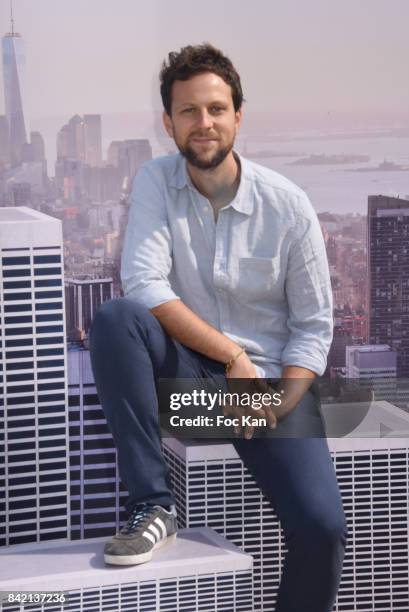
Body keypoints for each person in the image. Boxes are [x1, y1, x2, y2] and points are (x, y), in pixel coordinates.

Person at [89, 43, 348, 611]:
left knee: (322, 529)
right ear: (168, 123)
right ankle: (154, 506)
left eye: (215, 109)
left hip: (268, 393)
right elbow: (145, 283)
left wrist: (274, 404)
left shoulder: (288, 206)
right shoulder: (157, 181)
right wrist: (232, 357)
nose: (203, 123)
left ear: (237, 116)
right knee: (115, 320)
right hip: (189, 386)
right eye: (188, 112)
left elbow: (312, 328)